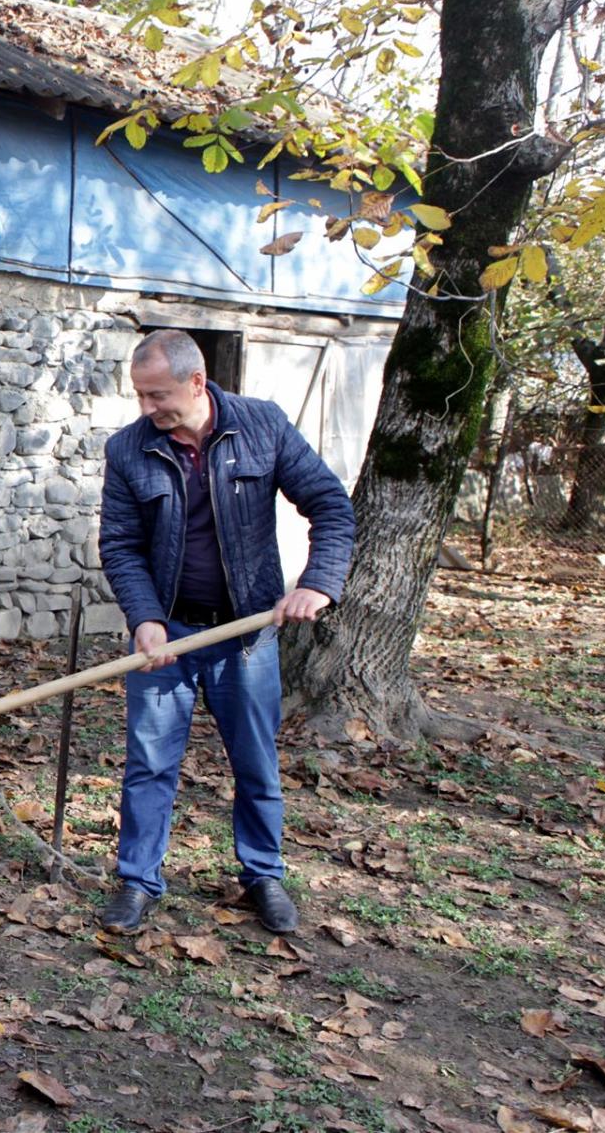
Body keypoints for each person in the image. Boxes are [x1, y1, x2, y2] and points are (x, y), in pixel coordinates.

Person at [96, 329, 356, 935]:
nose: (147, 408)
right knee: (149, 765)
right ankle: (137, 882)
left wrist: (318, 581)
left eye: (157, 395)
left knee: (256, 762)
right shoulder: (128, 450)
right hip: (170, 636)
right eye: (139, 395)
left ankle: (263, 874)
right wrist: (146, 619)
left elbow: (329, 505)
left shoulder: (261, 426)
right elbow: (120, 545)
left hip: (246, 636)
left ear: (196, 381)